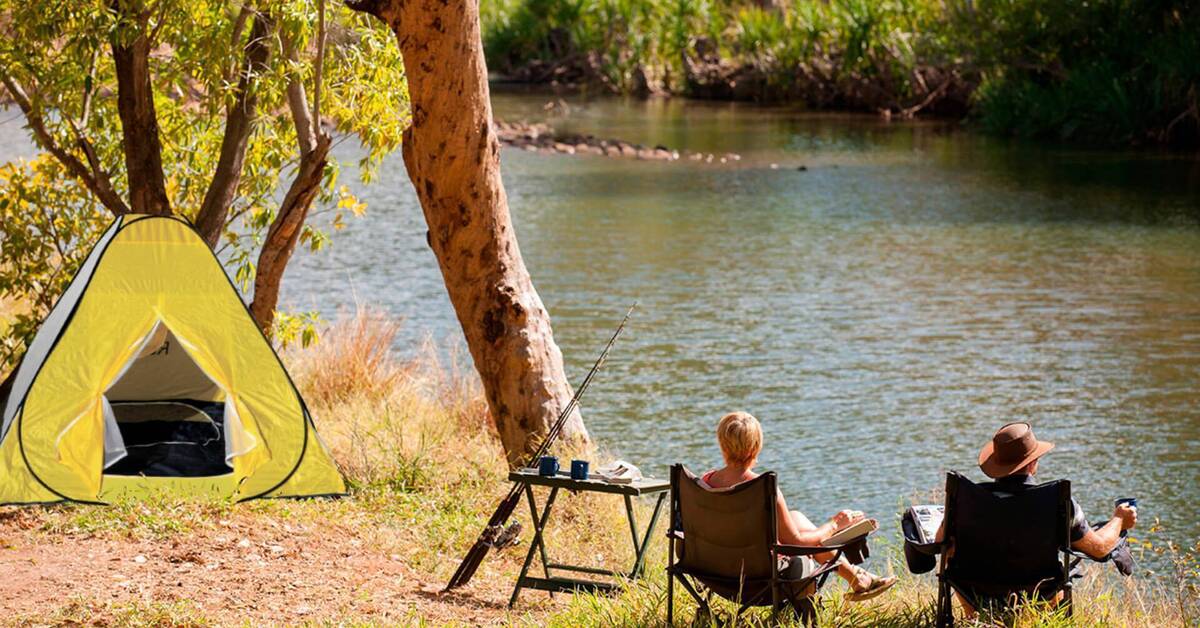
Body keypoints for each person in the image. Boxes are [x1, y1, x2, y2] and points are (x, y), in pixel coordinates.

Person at [937, 421, 1139, 617]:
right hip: (1039, 598)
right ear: (1033, 463)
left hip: (976, 598)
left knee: (953, 549)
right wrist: (1119, 519)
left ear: (995, 464)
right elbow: (1100, 548)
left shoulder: (965, 500)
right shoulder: (1057, 501)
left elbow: (939, 542)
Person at [700, 411, 897, 601]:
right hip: (761, 579)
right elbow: (799, 542)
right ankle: (850, 581)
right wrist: (835, 524)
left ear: (722, 445)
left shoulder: (705, 483)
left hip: (716, 573)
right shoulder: (764, 489)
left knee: (795, 517)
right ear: (756, 446)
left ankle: (856, 577)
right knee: (804, 547)